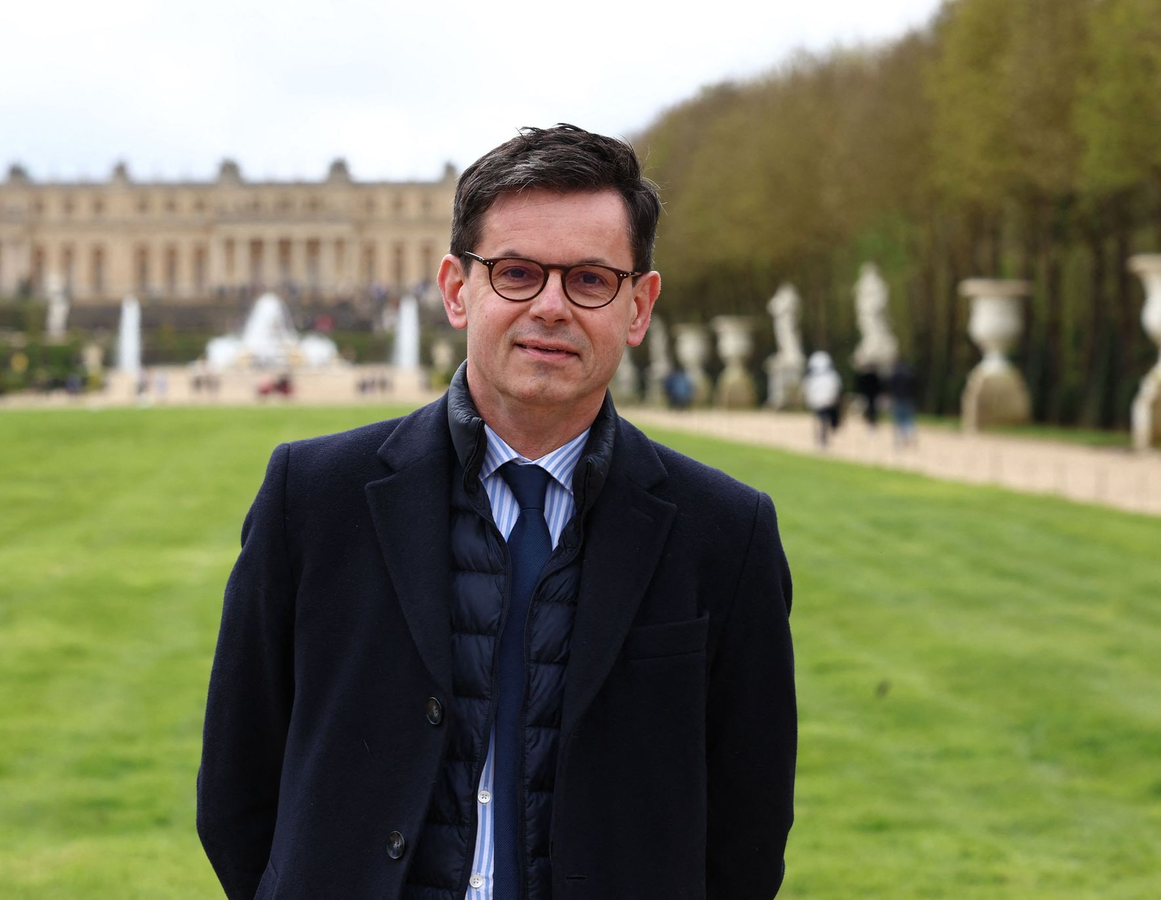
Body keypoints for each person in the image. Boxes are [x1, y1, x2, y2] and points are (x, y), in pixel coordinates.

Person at [197, 125, 796, 900]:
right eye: (516, 273)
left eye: (590, 280)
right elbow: (236, 792)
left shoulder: (726, 534)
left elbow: (747, 832)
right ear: (456, 289)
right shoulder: (311, 500)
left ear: (639, 306)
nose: (550, 307)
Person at [805, 351, 843, 448]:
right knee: (824, 420)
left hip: (822, 403)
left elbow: (808, 391)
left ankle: (822, 437)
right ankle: (823, 438)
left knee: (822, 420)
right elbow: (837, 388)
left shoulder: (812, 378)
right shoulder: (832, 376)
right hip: (828, 402)